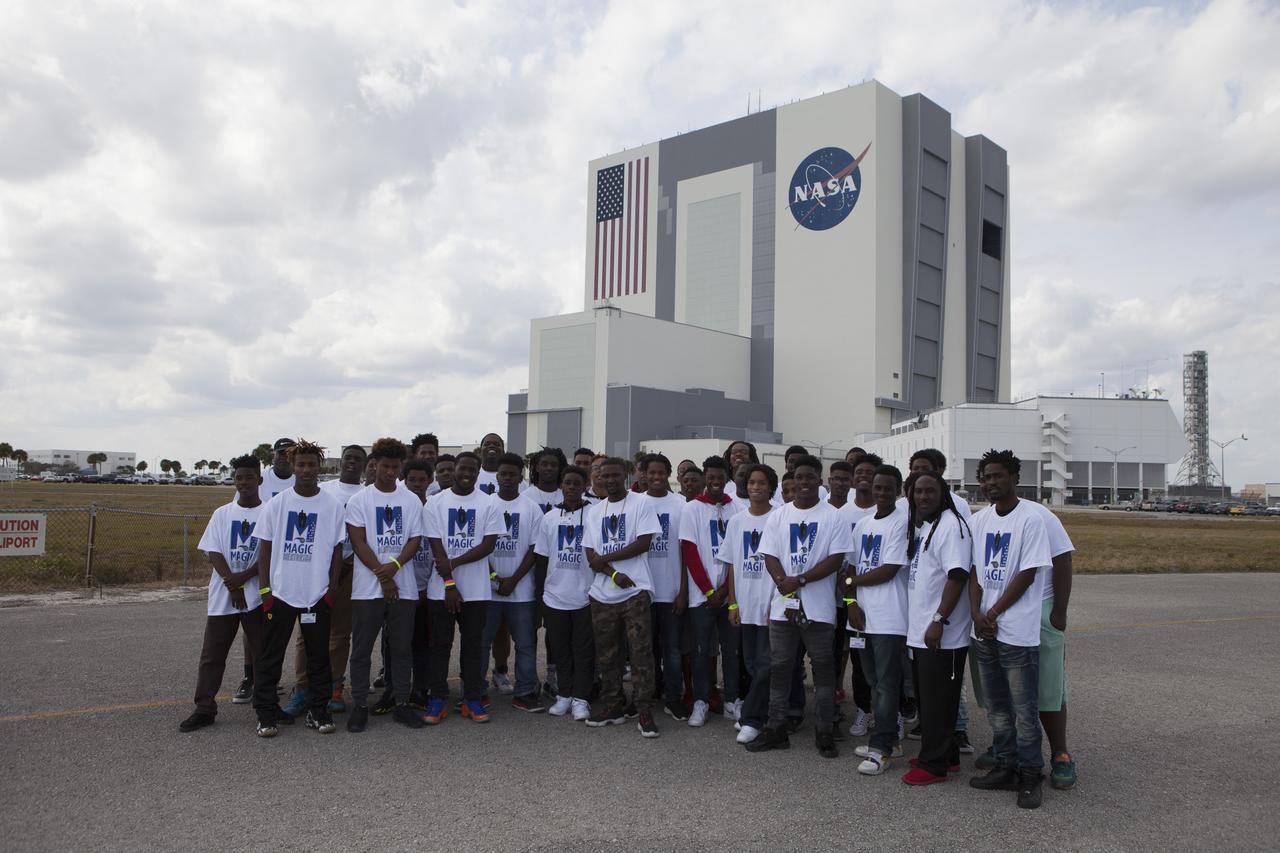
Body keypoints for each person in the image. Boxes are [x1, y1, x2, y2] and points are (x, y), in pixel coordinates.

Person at [746, 455, 851, 758]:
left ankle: (825, 730)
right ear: (791, 481)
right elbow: (768, 553)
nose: (804, 482)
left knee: (823, 670)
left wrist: (801, 580)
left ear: (820, 480)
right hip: (783, 607)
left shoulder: (833, 516)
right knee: (780, 668)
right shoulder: (779, 516)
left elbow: (836, 560)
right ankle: (776, 728)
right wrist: (782, 580)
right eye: (799, 477)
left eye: (810, 477)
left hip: (819, 609)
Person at [968, 449, 1052, 810]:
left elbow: (1028, 572)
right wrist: (976, 613)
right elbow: (973, 571)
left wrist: (994, 612)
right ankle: (1006, 765)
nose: (990, 483)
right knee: (997, 708)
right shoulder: (979, 520)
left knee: (1024, 709)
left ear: (1015, 477)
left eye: (998, 476)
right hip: (983, 631)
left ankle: (1032, 774)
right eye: (985, 477)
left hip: (1016, 632)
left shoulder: (1031, 519)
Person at [251, 440, 346, 738]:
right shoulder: (278, 504)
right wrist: (265, 590)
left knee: (319, 658)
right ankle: (266, 714)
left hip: (316, 595)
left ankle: (318, 711)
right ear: (292, 467)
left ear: (320, 468)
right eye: (301, 464)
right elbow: (264, 547)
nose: (306, 470)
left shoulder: (331, 504)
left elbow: (336, 550)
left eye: (312, 465)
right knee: (270, 657)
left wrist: (331, 588)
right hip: (281, 594)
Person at [179, 455, 267, 732]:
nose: (243, 482)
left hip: (256, 596)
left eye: (249, 477)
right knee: (212, 655)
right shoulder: (222, 513)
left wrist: (244, 579)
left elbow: (269, 553)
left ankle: (266, 706)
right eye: (239, 477)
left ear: (259, 480)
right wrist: (233, 583)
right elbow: (212, 551)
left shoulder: (269, 512)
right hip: (223, 596)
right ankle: (205, 707)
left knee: (263, 653)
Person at [344, 438, 426, 732]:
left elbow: (415, 540)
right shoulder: (359, 501)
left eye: (395, 466)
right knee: (362, 649)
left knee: (401, 648)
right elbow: (358, 541)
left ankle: (401, 704)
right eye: (385, 466)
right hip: (367, 589)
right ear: (374, 465)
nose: (390, 471)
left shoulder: (410, 500)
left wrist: (395, 568)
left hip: (403, 586)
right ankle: (360, 706)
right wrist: (383, 575)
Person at [282, 444, 366, 719]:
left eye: (358, 459)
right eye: (348, 458)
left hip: (351, 569)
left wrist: (343, 568)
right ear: (339, 463)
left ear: (365, 465)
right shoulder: (326, 491)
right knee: (306, 633)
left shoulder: (366, 495)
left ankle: (334, 686)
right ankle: (303, 687)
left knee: (339, 633)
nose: (352, 463)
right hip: (318, 569)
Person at [900, 470, 973, 785]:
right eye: (918, 492)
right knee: (930, 700)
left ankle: (933, 766)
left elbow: (958, 577)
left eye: (930, 491)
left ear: (943, 494)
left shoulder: (952, 527)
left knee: (940, 700)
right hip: (921, 632)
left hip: (943, 635)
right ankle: (945, 755)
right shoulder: (927, 526)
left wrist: (939, 621)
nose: (923, 497)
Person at [582, 457, 662, 737]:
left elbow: (643, 543)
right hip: (603, 593)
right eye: (605, 476)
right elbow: (590, 555)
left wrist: (607, 559)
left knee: (640, 653)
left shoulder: (642, 503)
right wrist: (613, 573)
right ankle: (613, 704)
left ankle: (643, 709)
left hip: (635, 590)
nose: (610, 480)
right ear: (599, 479)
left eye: (616, 475)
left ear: (626, 476)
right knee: (607, 654)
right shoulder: (594, 511)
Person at [421, 451, 504, 724]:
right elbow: (436, 547)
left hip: (477, 590)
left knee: (473, 645)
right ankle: (438, 699)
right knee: (440, 644)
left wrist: (453, 563)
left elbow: (487, 545)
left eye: (472, 469)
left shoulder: (489, 503)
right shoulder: (435, 502)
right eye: (462, 468)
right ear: (453, 469)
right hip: (440, 590)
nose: (467, 473)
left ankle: (471, 699)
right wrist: (449, 584)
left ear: (479, 472)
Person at [843, 464, 910, 775]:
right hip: (860, 617)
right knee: (871, 680)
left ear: (898, 491)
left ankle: (881, 747)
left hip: (888, 617)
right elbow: (849, 569)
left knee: (885, 683)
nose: (881, 492)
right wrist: (850, 601)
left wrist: (851, 584)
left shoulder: (902, 523)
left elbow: (889, 570)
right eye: (877, 487)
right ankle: (891, 738)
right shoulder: (863, 524)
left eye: (888, 488)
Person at [680, 456, 742, 726]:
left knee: (731, 650)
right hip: (702, 596)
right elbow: (690, 552)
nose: (716, 482)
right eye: (711, 477)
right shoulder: (692, 508)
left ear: (728, 478)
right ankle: (701, 701)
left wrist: (726, 591)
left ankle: (732, 701)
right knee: (702, 649)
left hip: (729, 594)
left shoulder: (737, 509)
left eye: (721, 477)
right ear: (705, 477)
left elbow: (738, 553)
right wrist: (708, 591)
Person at [482, 452, 546, 712]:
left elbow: (535, 549)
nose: (507, 478)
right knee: (482, 642)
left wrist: (513, 580)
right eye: (503, 474)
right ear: (496, 476)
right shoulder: (485, 505)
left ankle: (525, 692)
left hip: (522, 592)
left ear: (521, 477)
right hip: (488, 590)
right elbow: (479, 548)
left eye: (513, 474)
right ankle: (476, 692)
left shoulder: (530, 508)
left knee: (526, 644)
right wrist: (496, 578)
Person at [720, 463, 777, 744]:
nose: (755, 487)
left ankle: (752, 719)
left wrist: (776, 602)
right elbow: (731, 565)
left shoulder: (779, 517)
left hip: (770, 605)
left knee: (767, 664)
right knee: (754, 664)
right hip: (744, 604)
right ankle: (764, 711)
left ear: (771, 487)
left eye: (761, 483)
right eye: (752, 482)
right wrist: (732, 604)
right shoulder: (737, 520)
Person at [535, 465, 595, 720]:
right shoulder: (549, 518)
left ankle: (581, 698)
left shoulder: (594, 514)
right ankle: (564, 695)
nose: (571, 487)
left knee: (583, 650)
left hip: (586, 595)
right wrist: (541, 596)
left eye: (576, 483)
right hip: (555, 596)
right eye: (567, 483)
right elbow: (541, 558)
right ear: (561, 486)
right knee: (560, 649)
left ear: (585, 487)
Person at [639, 453, 689, 720]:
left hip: (671, 591)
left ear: (669, 474)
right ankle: (647, 695)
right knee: (644, 649)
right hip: (642, 592)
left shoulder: (681, 505)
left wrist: (683, 590)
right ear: (644, 474)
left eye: (662, 473)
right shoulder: (635, 503)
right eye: (652, 473)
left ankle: (673, 697)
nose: (657, 478)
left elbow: (685, 552)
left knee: (672, 649)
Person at [836, 454, 879, 735]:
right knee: (858, 657)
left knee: (887, 662)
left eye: (869, 472)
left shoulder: (893, 512)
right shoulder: (842, 514)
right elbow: (844, 564)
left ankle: (892, 712)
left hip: (884, 602)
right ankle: (864, 710)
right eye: (859, 471)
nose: (863, 476)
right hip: (848, 600)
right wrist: (849, 594)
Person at [401, 458, 435, 711]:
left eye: (422, 480)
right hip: (403, 588)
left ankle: (421, 687)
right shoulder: (402, 509)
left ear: (430, 481)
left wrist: (427, 587)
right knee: (400, 642)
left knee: (424, 642)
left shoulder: (435, 509)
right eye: (411, 479)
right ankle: (397, 687)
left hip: (429, 588)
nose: (416, 484)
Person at [259, 437, 296, 502]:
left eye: (289, 454)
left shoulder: (302, 480)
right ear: (274, 455)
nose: (284, 457)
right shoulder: (259, 478)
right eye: (281, 453)